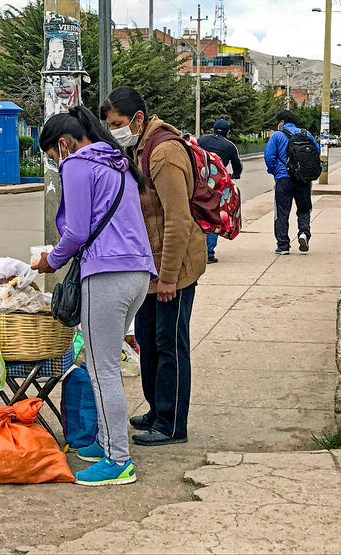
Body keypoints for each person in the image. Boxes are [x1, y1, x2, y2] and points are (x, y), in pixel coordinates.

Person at [32, 106, 156, 486]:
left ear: (64, 144)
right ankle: (107, 443)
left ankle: (118, 461)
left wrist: (49, 262)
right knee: (104, 366)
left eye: (53, 156)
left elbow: (76, 233)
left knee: (102, 372)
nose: (57, 164)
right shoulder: (117, 163)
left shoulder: (77, 165)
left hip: (107, 275)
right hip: (137, 274)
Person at [101, 86, 206, 447]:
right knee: (148, 339)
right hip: (151, 267)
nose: (114, 129)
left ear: (138, 119)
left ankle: (172, 423)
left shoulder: (163, 153)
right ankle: (157, 409)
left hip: (172, 268)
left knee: (170, 343)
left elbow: (177, 219)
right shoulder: (139, 148)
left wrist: (169, 279)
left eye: (117, 123)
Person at [264, 110, 320, 254]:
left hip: (283, 179)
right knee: (304, 208)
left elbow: (269, 157)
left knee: (282, 212)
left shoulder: (277, 135)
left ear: (282, 122)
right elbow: (317, 151)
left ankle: (283, 245)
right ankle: (304, 233)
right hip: (303, 179)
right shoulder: (306, 133)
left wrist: (274, 171)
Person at [197, 119, 243, 263]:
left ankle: (196, 249)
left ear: (213, 129)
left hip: (198, 182)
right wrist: (235, 175)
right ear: (228, 132)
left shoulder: (201, 140)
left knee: (197, 213)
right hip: (217, 185)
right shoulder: (230, 146)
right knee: (214, 216)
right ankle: (209, 253)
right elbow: (237, 166)